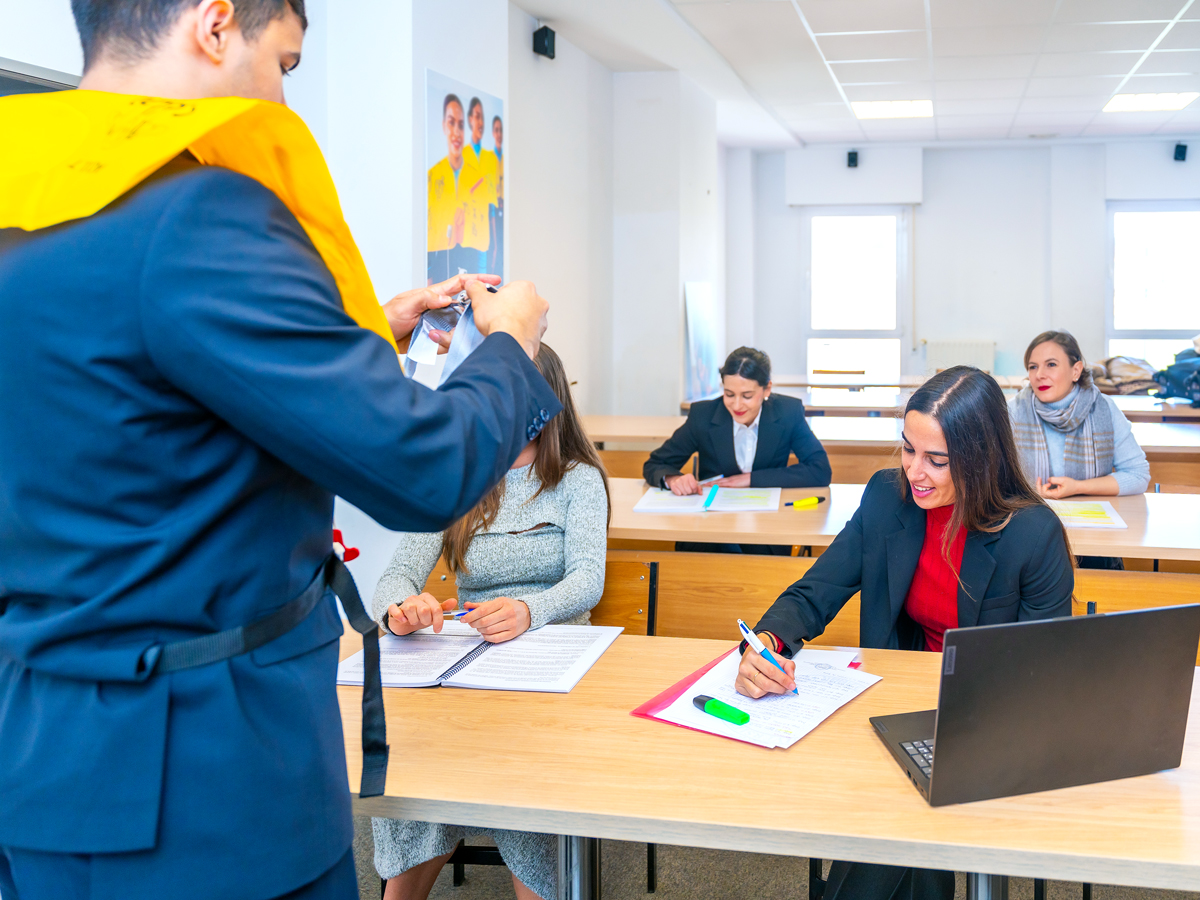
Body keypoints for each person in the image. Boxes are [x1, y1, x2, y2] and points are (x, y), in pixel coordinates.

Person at [0, 2, 560, 899]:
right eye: (286, 64)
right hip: (204, 779)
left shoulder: (27, 199)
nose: (280, 95)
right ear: (216, 24)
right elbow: (426, 471)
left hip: (49, 752)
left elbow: (135, 395)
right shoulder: (199, 210)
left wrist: (367, 332)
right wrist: (510, 350)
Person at [735, 366, 1075, 900]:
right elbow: (816, 590)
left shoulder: (1032, 533)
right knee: (901, 800)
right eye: (907, 449)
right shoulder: (886, 496)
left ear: (981, 459)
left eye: (937, 460)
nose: (915, 471)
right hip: (900, 705)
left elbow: (1050, 668)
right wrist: (767, 644)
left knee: (899, 808)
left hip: (993, 716)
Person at [369, 344, 608, 900]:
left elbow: (587, 578)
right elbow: (395, 575)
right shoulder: (458, 479)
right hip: (470, 661)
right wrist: (402, 609)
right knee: (421, 759)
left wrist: (531, 609)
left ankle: (543, 881)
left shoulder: (577, 479)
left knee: (527, 777)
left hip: (551, 661)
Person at [642, 346, 831, 554]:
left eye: (747, 395)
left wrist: (750, 479)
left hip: (766, 529)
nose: (737, 405)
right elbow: (655, 464)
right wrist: (672, 479)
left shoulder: (787, 413)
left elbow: (820, 469)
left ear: (766, 389)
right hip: (709, 531)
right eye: (729, 394)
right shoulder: (703, 415)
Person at [1009, 330, 1149, 571]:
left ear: (1076, 370)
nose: (1039, 375)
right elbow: (994, 476)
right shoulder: (1013, 411)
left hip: (1094, 535)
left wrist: (1078, 487)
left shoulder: (1103, 408)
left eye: (1051, 365)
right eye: (1033, 367)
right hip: (1030, 529)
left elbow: (1138, 475)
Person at [428, 93, 488, 282]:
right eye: (451, 122)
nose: (456, 132)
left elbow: (483, 242)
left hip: (469, 270)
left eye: (461, 125)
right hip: (438, 272)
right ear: (443, 126)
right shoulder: (433, 176)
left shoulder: (477, 180)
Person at [461, 96, 499, 275]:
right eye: (477, 116)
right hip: (467, 234)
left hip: (484, 234)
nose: (480, 122)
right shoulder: (462, 155)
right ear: (470, 120)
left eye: (482, 117)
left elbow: (491, 202)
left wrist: (495, 240)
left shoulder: (489, 159)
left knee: (483, 283)